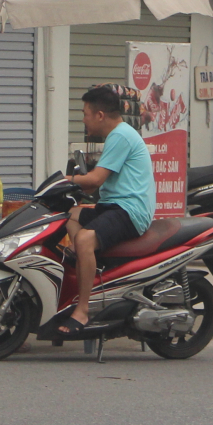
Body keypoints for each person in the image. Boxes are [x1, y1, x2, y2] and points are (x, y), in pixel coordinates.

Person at [58, 85, 156, 334]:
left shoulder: (120, 136)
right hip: (113, 206)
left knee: (85, 238)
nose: (83, 119)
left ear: (100, 115)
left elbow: (95, 180)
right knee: (68, 216)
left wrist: (62, 180)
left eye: (85, 114)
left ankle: (82, 312)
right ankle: (88, 266)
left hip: (129, 210)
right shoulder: (118, 135)